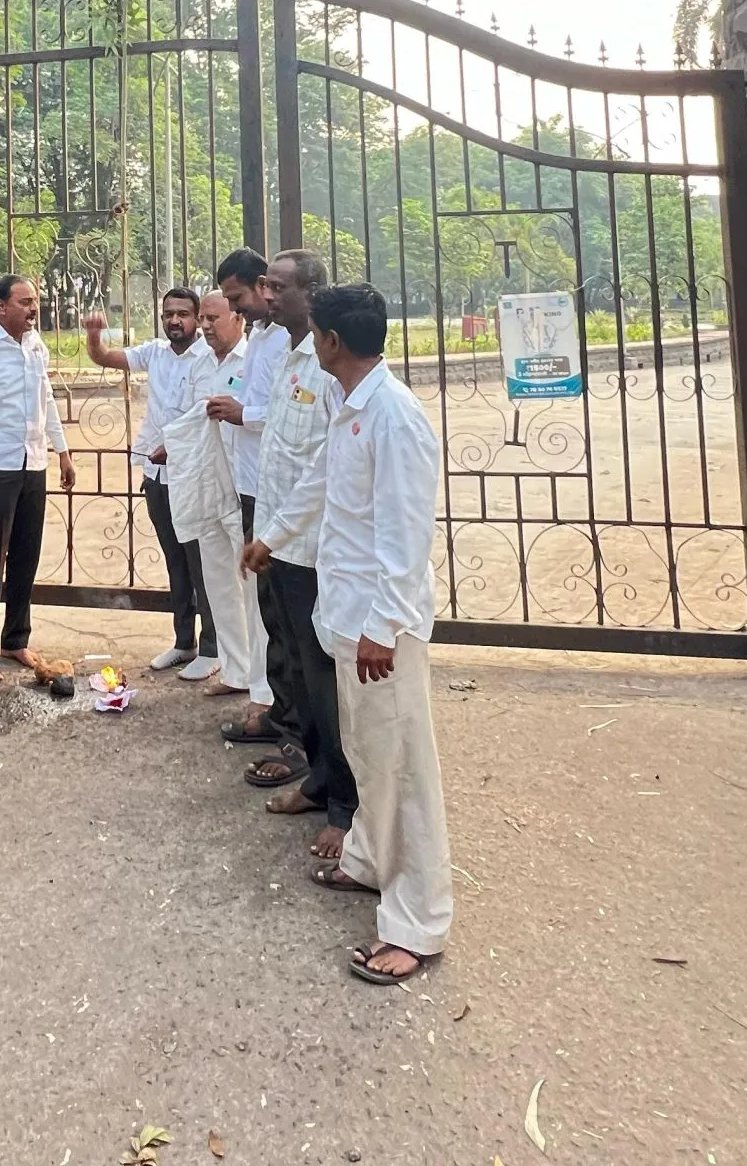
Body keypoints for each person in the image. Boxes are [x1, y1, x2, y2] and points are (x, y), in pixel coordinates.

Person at [304, 282, 452, 984]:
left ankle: (417, 922)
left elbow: (406, 534)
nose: (312, 344)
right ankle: (366, 858)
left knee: (404, 770)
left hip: (379, 627)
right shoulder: (350, 407)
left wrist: (385, 625)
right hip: (350, 614)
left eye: (315, 333)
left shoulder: (394, 416)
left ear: (333, 341)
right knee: (368, 752)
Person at [238, 249, 356, 859]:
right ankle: (317, 779)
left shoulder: (330, 366)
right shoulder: (287, 356)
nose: (267, 294)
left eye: (277, 286)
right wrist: (266, 535)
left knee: (323, 679)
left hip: (312, 550)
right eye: (265, 284)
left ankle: (345, 806)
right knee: (298, 673)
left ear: (311, 293)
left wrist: (279, 533)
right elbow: (282, 458)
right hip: (279, 544)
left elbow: (329, 470)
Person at [81, 289, 215, 675]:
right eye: (169, 313)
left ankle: (213, 648)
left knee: (201, 565)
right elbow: (105, 357)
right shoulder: (155, 352)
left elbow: (202, 414)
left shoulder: (207, 358)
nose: (175, 320)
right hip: (156, 475)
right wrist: (94, 336)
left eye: (183, 314)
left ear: (196, 318)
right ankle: (183, 643)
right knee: (175, 562)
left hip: (191, 474)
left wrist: (173, 448)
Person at [0, 274, 75, 685]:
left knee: (26, 556)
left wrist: (62, 450)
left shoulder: (35, 345)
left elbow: (46, 399)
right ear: (1, 307)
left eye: (34, 300)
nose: (33, 308)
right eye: (24, 301)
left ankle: (15, 639)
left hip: (32, 462)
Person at [167, 291, 260, 702]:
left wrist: (240, 413)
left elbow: (276, 415)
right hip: (209, 486)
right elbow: (190, 419)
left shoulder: (253, 359)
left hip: (245, 487)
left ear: (238, 318)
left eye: (213, 318)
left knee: (252, 590)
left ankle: (263, 682)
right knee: (219, 584)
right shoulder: (201, 363)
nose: (204, 326)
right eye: (202, 318)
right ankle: (237, 671)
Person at [207, 247, 280, 711]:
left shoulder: (287, 342)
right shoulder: (262, 336)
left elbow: (293, 414)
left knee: (269, 602)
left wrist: (243, 414)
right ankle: (259, 689)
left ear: (263, 286)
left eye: (237, 299)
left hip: (272, 485)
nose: (235, 309)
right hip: (247, 483)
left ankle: (270, 699)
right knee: (255, 596)